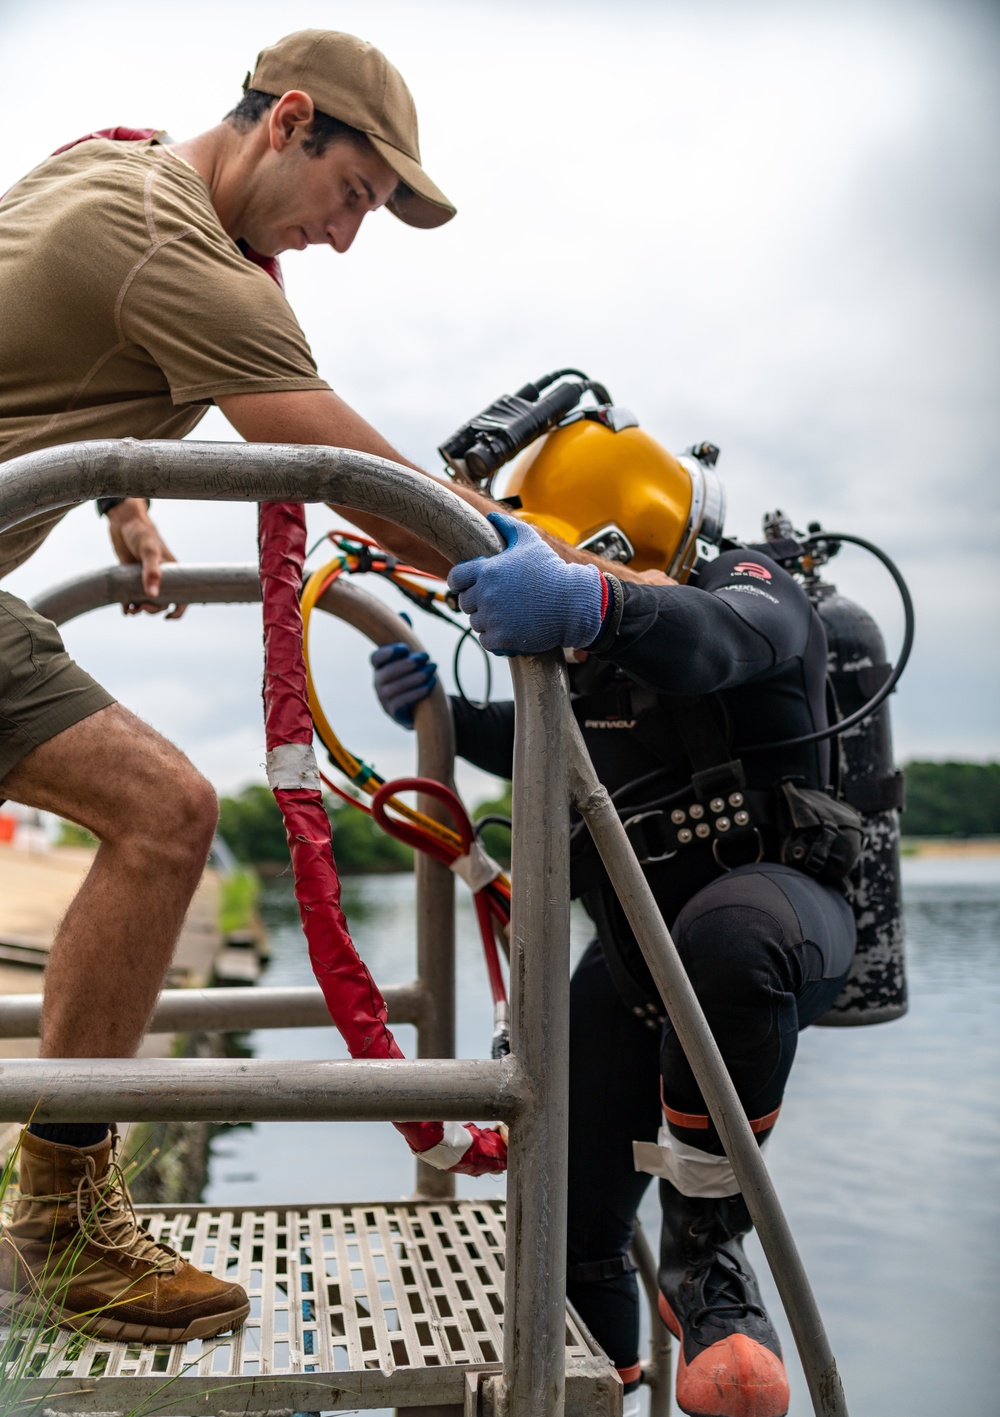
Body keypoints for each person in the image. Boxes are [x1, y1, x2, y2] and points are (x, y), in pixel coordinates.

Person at [0, 29, 637, 1345]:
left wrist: (121, 498)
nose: (346, 238)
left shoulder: (108, 167)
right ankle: (58, 1227)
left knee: (160, 808)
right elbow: (375, 493)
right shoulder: (183, 258)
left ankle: (56, 1213)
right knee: (167, 809)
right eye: (351, 197)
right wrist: (591, 589)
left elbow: (57, 350)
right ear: (289, 121)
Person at [371, 498, 858, 1417]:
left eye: (567, 555)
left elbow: (717, 641)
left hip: (771, 926)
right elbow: (543, 726)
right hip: (631, 980)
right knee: (565, 1238)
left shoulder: (748, 586)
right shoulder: (591, 666)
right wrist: (435, 711)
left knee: (725, 946)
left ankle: (708, 1249)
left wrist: (599, 602)